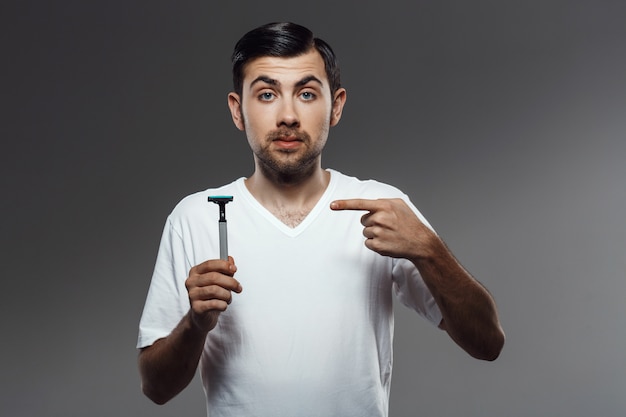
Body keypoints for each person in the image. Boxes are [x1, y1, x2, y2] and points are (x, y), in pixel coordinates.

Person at [137, 22, 505, 417]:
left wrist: (431, 252)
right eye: (266, 94)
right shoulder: (195, 217)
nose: (289, 115)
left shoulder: (380, 206)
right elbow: (156, 388)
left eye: (307, 93)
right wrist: (195, 324)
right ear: (237, 110)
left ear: (337, 106)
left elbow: (487, 344)